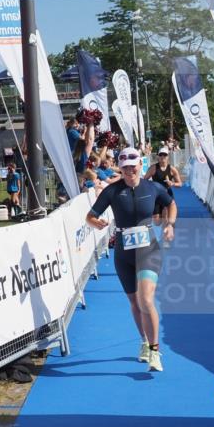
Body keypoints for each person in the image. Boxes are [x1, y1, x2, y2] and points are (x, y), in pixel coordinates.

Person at [86, 147, 176, 373]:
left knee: (146, 300)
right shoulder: (112, 191)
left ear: (140, 166)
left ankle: (155, 351)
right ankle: (144, 342)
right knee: (135, 303)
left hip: (148, 251)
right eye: (125, 167)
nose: (129, 171)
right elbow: (90, 216)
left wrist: (170, 225)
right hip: (123, 254)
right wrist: (95, 223)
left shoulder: (153, 187)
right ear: (120, 167)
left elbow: (171, 203)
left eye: (133, 167)